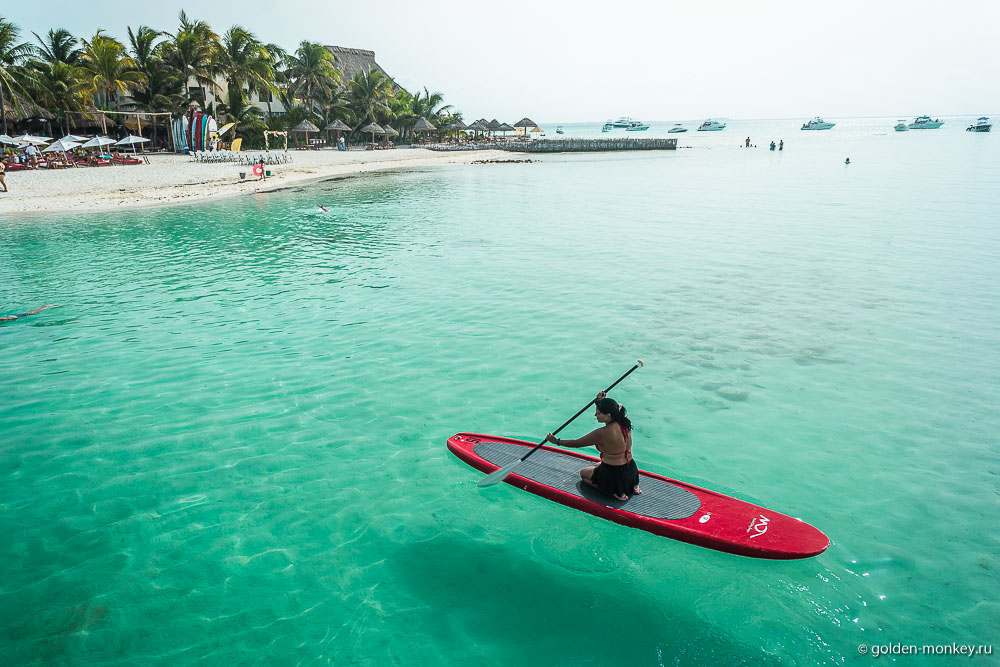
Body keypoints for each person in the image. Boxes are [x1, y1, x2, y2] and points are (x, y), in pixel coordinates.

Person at [545, 391, 642, 501]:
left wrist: (556, 441)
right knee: (597, 464)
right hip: (631, 470)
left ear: (608, 415)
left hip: (614, 475)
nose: (595, 415)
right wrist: (599, 401)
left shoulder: (602, 433)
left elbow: (577, 443)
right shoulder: (625, 422)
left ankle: (613, 492)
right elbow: (614, 406)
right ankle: (632, 486)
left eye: (598, 413)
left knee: (583, 473)